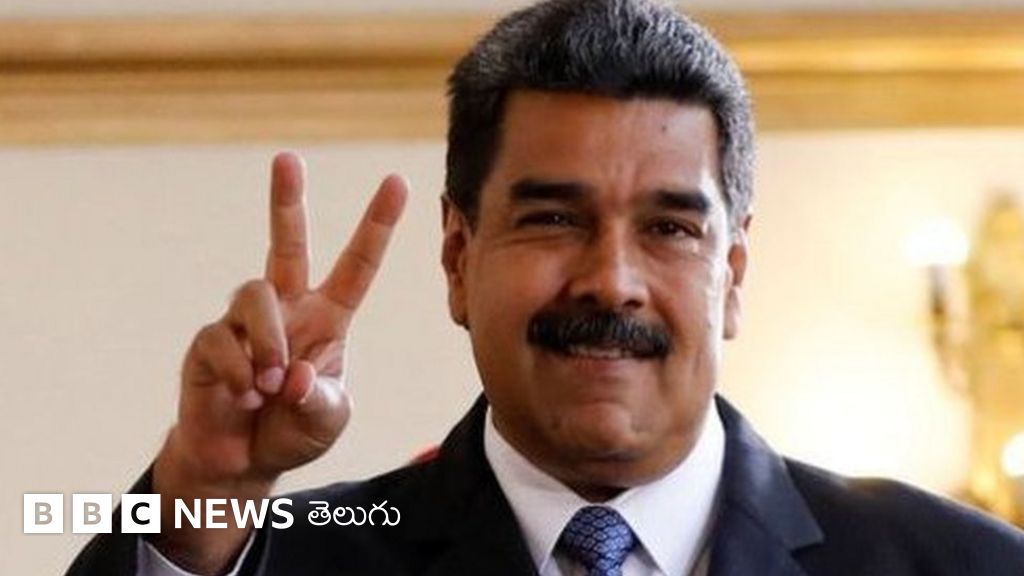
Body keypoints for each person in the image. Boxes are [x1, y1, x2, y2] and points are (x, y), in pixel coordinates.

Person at [68, 0, 1024, 575]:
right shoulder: (288, 555)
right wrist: (203, 492)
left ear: (732, 274)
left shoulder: (961, 564)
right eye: (555, 220)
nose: (611, 282)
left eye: (669, 229)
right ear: (457, 255)